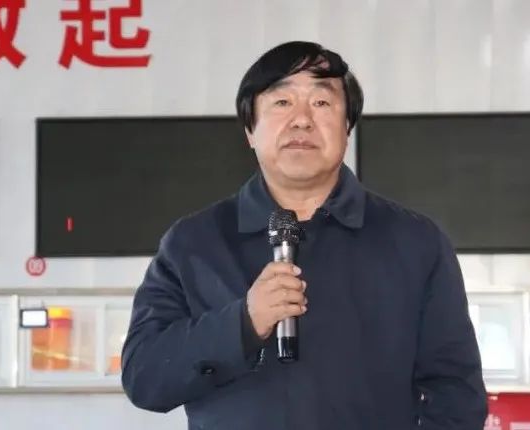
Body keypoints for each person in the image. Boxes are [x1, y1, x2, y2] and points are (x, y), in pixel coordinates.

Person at [121, 41, 487, 429]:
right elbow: (145, 379)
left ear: (347, 127)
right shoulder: (193, 244)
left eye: (321, 102)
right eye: (282, 102)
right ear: (249, 129)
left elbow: (456, 396)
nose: (301, 120)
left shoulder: (415, 242)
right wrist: (244, 323)